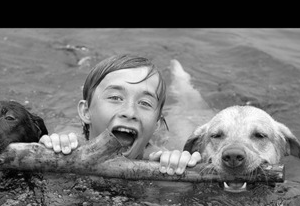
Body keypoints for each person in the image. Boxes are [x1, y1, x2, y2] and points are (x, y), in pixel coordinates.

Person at [39, 54, 201, 175]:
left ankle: (183, 83)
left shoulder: (157, 160)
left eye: (145, 103)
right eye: (115, 98)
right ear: (86, 112)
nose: (130, 112)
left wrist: (178, 164)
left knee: (189, 112)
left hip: (172, 130)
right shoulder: (69, 146)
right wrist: (53, 148)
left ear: (156, 124)